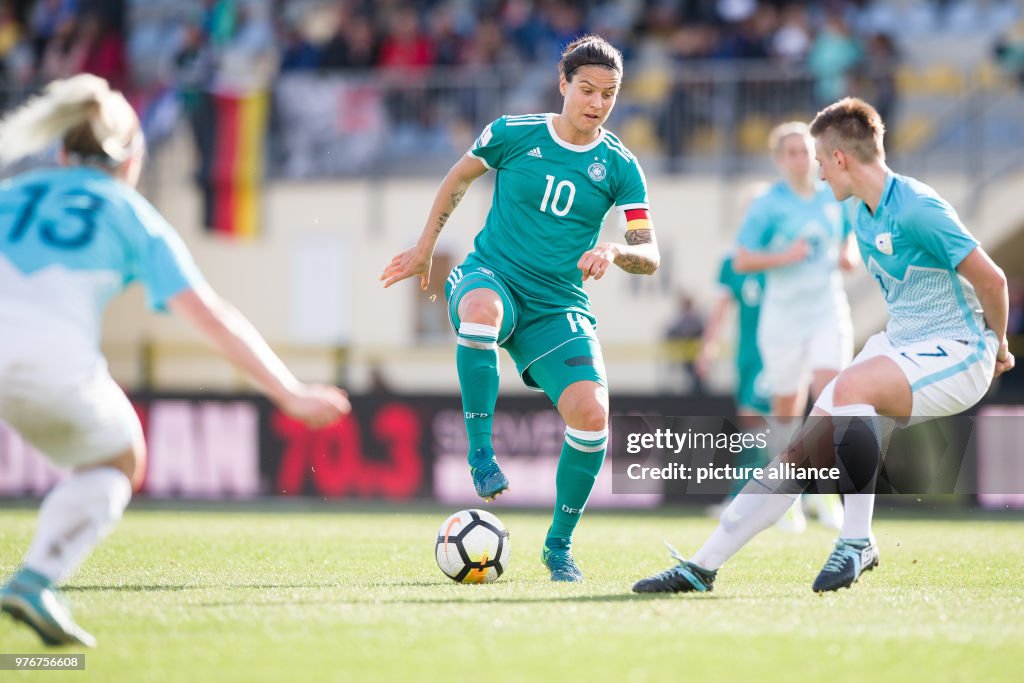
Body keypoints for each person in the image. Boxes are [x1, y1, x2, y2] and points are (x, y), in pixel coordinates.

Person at [0, 75, 350, 646]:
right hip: (52, 361)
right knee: (118, 456)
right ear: (131, 160)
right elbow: (212, 316)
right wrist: (289, 392)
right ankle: (36, 578)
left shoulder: (10, 193)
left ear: (63, 153)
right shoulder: (131, 213)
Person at [633, 97, 1014, 595]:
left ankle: (856, 539)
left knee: (849, 385)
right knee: (798, 454)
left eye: (819, 160)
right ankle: (701, 566)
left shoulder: (918, 206)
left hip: (960, 349)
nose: (816, 172)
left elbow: (994, 279)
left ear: (840, 159)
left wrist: (999, 346)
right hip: (902, 347)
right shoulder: (858, 213)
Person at [381, 35, 659, 582]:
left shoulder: (620, 166)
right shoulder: (513, 132)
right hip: (493, 276)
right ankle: (481, 455)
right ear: (563, 84)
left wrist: (616, 249)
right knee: (480, 310)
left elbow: (649, 253)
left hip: (557, 306)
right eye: (587, 89)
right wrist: (424, 248)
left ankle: (558, 546)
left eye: (609, 94)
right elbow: (459, 177)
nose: (597, 103)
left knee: (593, 415)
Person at [734, 121, 856, 532]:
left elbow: (849, 238)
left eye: (806, 151)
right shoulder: (768, 204)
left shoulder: (833, 195)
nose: (801, 159)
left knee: (830, 398)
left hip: (826, 310)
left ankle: (828, 498)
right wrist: (784, 256)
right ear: (779, 159)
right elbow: (742, 260)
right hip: (783, 317)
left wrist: (848, 255)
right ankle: (788, 499)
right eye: (791, 152)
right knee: (786, 411)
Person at [697, 249, 771, 517]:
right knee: (758, 424)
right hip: (747, 357)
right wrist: (708, 348)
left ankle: (745, 500)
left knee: (757, 418)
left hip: (776, 352)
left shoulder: (782, 255)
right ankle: (771, 499)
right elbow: (720, 309)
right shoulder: (731, 262)